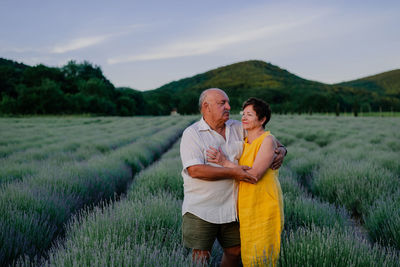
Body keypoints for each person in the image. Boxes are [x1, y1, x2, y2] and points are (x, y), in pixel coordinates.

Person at [180, 88, 286, 266]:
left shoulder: (237, 127)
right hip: (202, 208)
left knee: (235, 251)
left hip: (233, 208)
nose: (228, 106)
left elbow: (267, 138)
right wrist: (233, 171)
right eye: (222, 103)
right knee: (201, 255)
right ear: (206, 107)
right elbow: (195, 170)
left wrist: (282, 150)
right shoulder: (192, 134)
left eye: (228, 102)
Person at [207, 97, 284, 266]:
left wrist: (224, 162)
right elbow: (280, 146)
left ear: (262, 120)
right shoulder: (245, 140)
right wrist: (283, 150)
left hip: (264, 203)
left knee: (264, 254)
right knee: (250, 254)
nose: (244, 118)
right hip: (247, 205)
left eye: (249, 115)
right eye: (243, 114)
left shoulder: (267, 140)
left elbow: (254, 175)